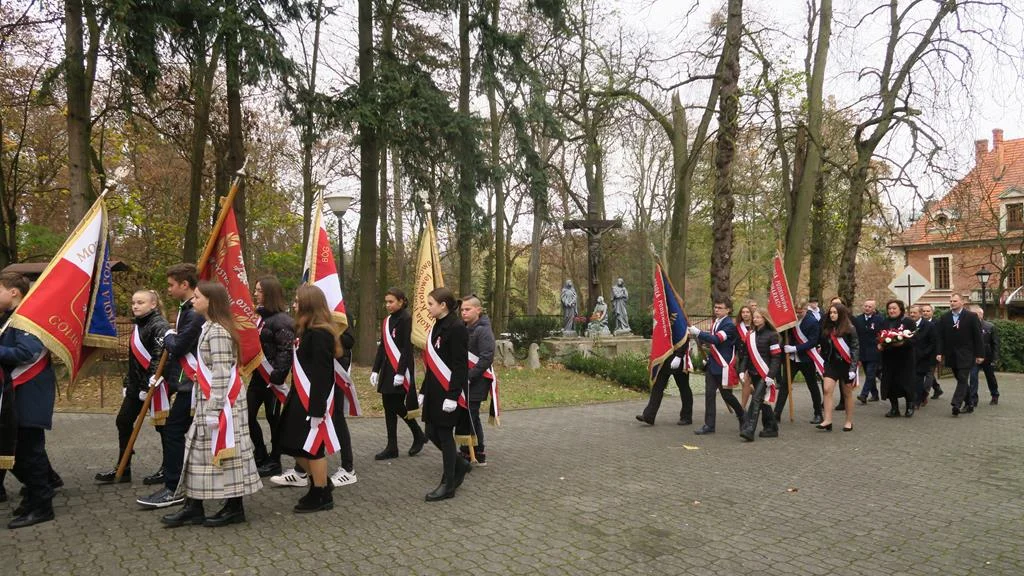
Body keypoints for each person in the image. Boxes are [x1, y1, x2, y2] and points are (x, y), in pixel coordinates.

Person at [160, 281, 262, 527]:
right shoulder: (209, 326)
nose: (192, 301)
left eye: (196, 297)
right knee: (198, 455)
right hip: (211, 402)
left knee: (227, 456)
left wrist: (215, 410)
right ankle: (194, 506)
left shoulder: (217, 331)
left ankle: (234, 507)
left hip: (223, 405)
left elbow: (221, 373)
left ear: (210, 301)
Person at [138, 263, 204, 509]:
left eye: (171, 285)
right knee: (180, 432)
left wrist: (167, 335)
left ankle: (174, 486)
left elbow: (178, 347)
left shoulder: (194, 312)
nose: (168, 289)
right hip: (186, 383)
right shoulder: (186, 308)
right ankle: (178, 483)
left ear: (184, 285)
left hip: (194, 384)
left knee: (175, 432)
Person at [276, 285, 345, 513]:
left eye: (297, 301)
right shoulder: (304, 330)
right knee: (290, 442)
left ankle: (320, 493)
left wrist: (317, 409)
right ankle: (321, 485)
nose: (294, 304)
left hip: (313, 401)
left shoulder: (320, 333)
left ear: (308, 304)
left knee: (313, 448)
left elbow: (323, 374)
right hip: (299, 396)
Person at [0, 272, 59, 528]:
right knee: (19, 451)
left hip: (29, 393)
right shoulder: (10, 318)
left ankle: (42, 505)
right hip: (15, 394)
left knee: (28, 452)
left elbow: (27, 353)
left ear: (14, 291)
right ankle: (36, 496)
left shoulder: (28, 318)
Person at [95, 290, 170, 484]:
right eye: (134, 302)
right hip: (136, 386)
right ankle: (123, 466)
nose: (135, 306)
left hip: (155, 385)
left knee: (163, 428)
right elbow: (134, 361)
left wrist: (148, 385)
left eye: (141, 302)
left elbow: (159, 357)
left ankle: (169, 468)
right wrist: (129, 384)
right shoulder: (137, 325)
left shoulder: (159, 326)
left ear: (153, 305)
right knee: (123, 421)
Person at [420, 287, 472, 501]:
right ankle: (460, 465)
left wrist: (452, 396)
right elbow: (432, 364)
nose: (428, 307)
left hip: (448, 391)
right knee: (431, 432)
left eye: (431, 303)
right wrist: (423, 390)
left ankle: (448, 484)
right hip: (434, 390)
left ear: (443, 305)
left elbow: (460, 365)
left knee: (444, 435)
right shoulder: (437, 325)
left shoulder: (457, 327)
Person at [370, 288, 426, 460]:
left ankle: (417, 435)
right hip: (388, 370)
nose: (388, 305)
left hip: (401, 369)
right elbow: (383, 347)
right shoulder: (387, 321)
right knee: (389, 407)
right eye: (386, 302)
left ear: (401, 301)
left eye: (391, 301)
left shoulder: (406, 319)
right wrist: (375, 369)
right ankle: (392, 446)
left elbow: (407, 348)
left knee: (397, 406)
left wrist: (401, 372)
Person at [249, 276, 295, 478]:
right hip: (258, 377)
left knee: (273, 419)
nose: (255, 293)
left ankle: (275, 459)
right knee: (247, 416)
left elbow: (285, 351)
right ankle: (260, 452)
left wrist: (277, 376)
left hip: (273, 380)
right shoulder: (259, 318)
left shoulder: (283, 321)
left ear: (269, 293)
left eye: (259, 290)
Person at [688, 299, 744, 435]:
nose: (716, 309)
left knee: (727, 396)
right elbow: (711, 342)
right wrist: (698, 336)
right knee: (709, 394)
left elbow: (717, 340)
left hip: (723, 366)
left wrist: (699, 333)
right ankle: (709, 425)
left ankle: (743, 416)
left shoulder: (729, 325)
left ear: (728, 310)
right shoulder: (716, 323)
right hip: (713, 365)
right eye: (715, 307)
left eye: (720, 307)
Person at [935, 293, 984, 416]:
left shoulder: (971, 317)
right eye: (951, 301)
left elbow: (978, 337)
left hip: (967, 354)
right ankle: (969, 403)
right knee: (960, 379)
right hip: (951, 354)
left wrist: (980, 354)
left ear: (962, 302)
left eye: (955, 301)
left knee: (962, 378)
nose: (952, 303)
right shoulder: (945, 317)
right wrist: (939, 352)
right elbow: (940, 337)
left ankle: (956, 404)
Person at [739, 310, 782, 441]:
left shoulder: (772, 335)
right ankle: (772, 427)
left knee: (756, 398)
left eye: (759, 317)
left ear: (765, 319)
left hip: (765, 373)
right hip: (753, 373)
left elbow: (776, 358)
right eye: (755, 317)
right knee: (763, 401)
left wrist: (770, 376)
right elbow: (746, 355)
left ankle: (749, 429)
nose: (756, 319)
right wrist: (742, 370)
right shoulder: (750, 335)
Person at [461, 295, 495, 464]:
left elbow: (487, 357)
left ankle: (475, 450)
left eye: (467, 309)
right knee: (467, 414)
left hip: (478, 380)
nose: (464, 313)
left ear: (478, 310)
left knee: (471, 415)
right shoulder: (464, 328)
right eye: (462, 310)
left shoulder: (483, 330)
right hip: (464, 379)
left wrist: (470, 376)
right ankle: (470, 449)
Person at [816, 303, 859, 432]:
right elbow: (823, 345)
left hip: (846, 364)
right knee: (827, 389)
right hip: (831, 363)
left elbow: (855, 349)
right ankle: (827, 420)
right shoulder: (827, 328)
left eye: (835, 313)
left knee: (847, 394)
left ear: (841, 314)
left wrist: (853, 368)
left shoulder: (850, 328)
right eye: (831, 313)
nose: (832, 315)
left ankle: (849, 421)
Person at [781, 301, 825, 424]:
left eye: (801, 311)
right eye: (796, 311)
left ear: (806, 309)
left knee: (812, 386)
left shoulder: (812, 322)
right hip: (792, 359)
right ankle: (777, 413)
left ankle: (818, 413)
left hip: (807, 358)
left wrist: (795, 348)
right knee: (785, 386)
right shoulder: (790, 322)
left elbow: (812, 342)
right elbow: (785, 335)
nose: (798, 314)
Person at [636, 346, 693, 427]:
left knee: (684, 387)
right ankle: (649, 415)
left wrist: (679, 356)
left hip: (677, 358)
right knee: (657, 387)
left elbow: (684, 338)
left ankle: (686, 417)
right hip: (664, 358)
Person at [879, 300, 917, 417]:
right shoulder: (884, 322)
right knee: (890, 384)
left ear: (900, 309)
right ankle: (894, 408)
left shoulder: (908, 322)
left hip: (904, 359)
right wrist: (880, 343)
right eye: (889, 308)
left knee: (906, 383)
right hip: (889, 358)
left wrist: (902, 343)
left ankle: (910, 406)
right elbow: (879, 336)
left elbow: (913, 339)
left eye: (894, 308)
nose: (892, 311)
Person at [330, 327, 357, 487]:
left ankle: (348, 467)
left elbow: (349, 341)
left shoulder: (339, 312)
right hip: (318, 372)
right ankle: (302, 468)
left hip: (335, 370)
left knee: (337, 418)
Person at [852, 299, 884, 404]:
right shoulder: (858, 319)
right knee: (869, 374)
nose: (867, 308)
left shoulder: (879, 319)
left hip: (874, 351)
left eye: (870, 306)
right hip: (862, 351)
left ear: (874, 308)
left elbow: (883, 334)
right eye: (865, 306)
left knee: (870, 374)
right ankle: (874, 394)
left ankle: (863, 395)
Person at [969, 306, 1000, 406]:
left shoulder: (990, 326)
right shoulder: (968, 327)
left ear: (981, 314)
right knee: (973, 377)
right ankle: (973, 399)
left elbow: (995, 344)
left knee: (990, 377)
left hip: (988, 357)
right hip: (975, 357)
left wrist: (995, 358)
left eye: (976, 314)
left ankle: (995, 395)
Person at [908, 305, 937, 408]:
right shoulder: (907, 324)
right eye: (910, 313)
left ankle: (917, 401)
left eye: (914, 313)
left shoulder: (929, 326)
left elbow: (933, 342)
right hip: (909, 357)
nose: (912, 315)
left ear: (920, 314)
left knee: (919, 379)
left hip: (923, 358)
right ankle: (913, 398)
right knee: (911, 380)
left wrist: (925, 353)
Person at [921, 304, 944, 399]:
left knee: (929, 373)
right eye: (924, 311)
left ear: (932, 312)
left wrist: (939, 353)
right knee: (925, 372)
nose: (925, 313)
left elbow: (940, 339)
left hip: (933, 353)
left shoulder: (937, 323)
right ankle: (937, 389)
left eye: (928, 311)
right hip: (922, 353)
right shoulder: (919, 323)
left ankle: (924, 394)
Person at [733, 305, 754, 409]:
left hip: (754, 358)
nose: (745, 314)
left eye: (747, 312)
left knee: (746, 382)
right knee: (744, 382)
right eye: (743, 312)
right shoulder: (737, 327)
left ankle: (742, 407)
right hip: (741, 358)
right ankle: (757, 396)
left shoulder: (755, 326)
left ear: (751, 313)